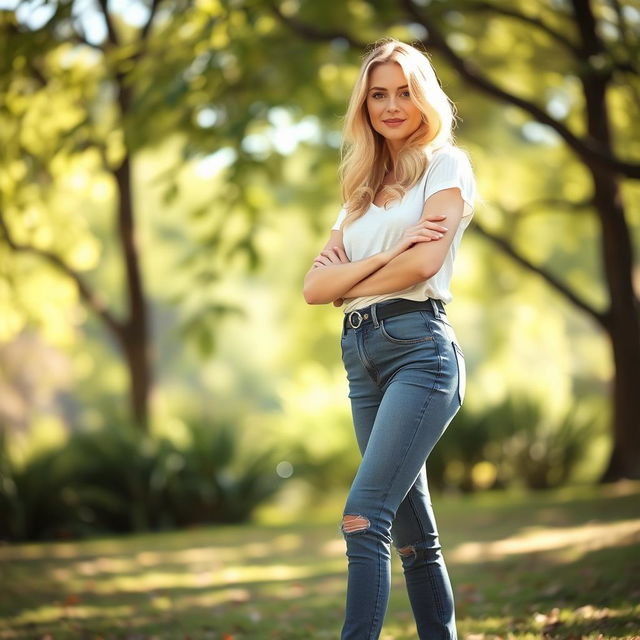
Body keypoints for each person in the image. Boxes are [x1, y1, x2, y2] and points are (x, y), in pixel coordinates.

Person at [303, 37, 476, 640]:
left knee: (362, 516)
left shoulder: (446, 165)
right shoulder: (357, 191)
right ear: (364, 105)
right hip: (361, 357)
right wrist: (392, 250)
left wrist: (361, 272)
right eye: (378, 94)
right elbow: (313, 287)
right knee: (413, 537)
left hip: (420, 351)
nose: (392, 105)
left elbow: (423, 267)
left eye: (405, 91)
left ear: (424, 96)